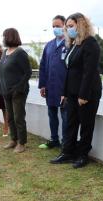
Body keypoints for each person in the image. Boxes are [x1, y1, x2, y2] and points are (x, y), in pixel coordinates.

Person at [51, 13, 102, 168]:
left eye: (71, 26)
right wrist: (65, 93)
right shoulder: (74, 44)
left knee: (86, 125)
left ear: (81, 25)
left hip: (86, 93)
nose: (68, 29)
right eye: (67, 27)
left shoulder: (90, 43)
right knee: (70, 124)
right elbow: (70, 71)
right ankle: (68, 152)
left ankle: (82, 155)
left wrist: (83, 95)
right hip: (72, 93)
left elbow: (89, 72)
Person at [0, 28, 32, 153]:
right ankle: (14, 139)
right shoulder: (4, 52)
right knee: (10, 117)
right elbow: (1, 70)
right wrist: (1, 87)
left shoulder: (20, 53)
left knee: (18, 117)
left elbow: (27, 72)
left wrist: (18, 88)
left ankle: (22, 143)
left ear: (10, 37)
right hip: (6, 92)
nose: (3, 39)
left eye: (4, 36)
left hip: (18, 92)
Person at [38, 15, 68, 149]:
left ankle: (65, 142)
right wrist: (42, 85)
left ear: (65, 26)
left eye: (58, 26)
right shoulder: (49, 45)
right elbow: (43, 66)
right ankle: (54, 139)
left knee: (65, 115)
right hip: (50, 87)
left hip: (64, 87)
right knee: (52, 114)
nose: (56, 29)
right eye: (53, 26)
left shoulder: (70, 43)